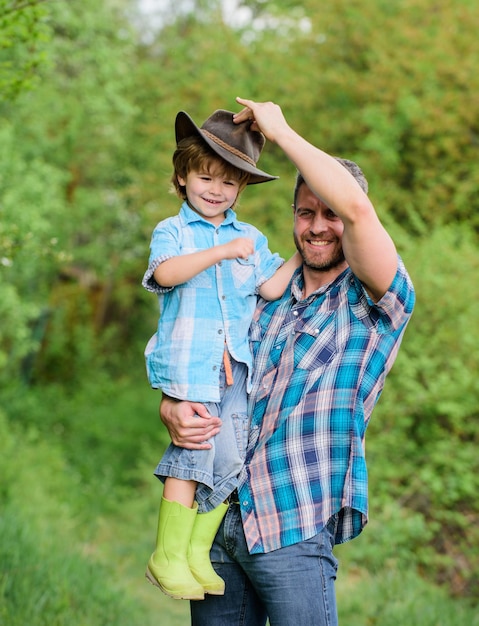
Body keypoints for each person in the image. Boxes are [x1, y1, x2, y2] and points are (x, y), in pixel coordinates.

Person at [159, 97, 416, 625]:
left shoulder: (375, 301)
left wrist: (280, 132)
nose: (318, 226)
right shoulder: (262, 289)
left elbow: (357, 210)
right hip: (214, 522)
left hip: (290, 526)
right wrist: (171, 406)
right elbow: (201, 355)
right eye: (306, 212)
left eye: (330, 214)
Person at [142, 107, 301, 601]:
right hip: (191, 365)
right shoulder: (174, 231)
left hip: (236, 370)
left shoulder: (249, 238)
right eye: (205, 176)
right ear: (183, 176)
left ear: (241, 190)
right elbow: (164, 275)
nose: (216, 189)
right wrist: (217, 252)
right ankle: (166, 554)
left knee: (229, 457)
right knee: (192, 452)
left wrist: (301, 251)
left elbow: (270, 287)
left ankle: (193, 550)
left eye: (229, 184)